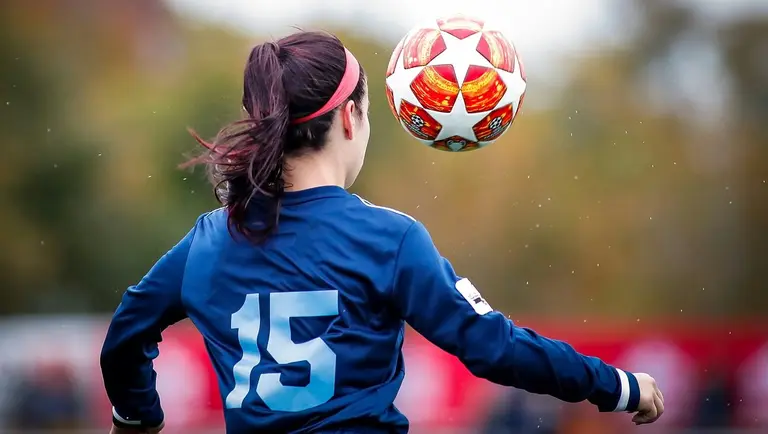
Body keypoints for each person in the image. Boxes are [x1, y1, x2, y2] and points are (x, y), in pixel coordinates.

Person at [100, 31, 664, 434]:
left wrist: (137, 417)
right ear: (350, 117)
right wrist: (615, 385)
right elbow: (492, 347)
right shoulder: (388, 240)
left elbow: (125, 335)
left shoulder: (208, 241)